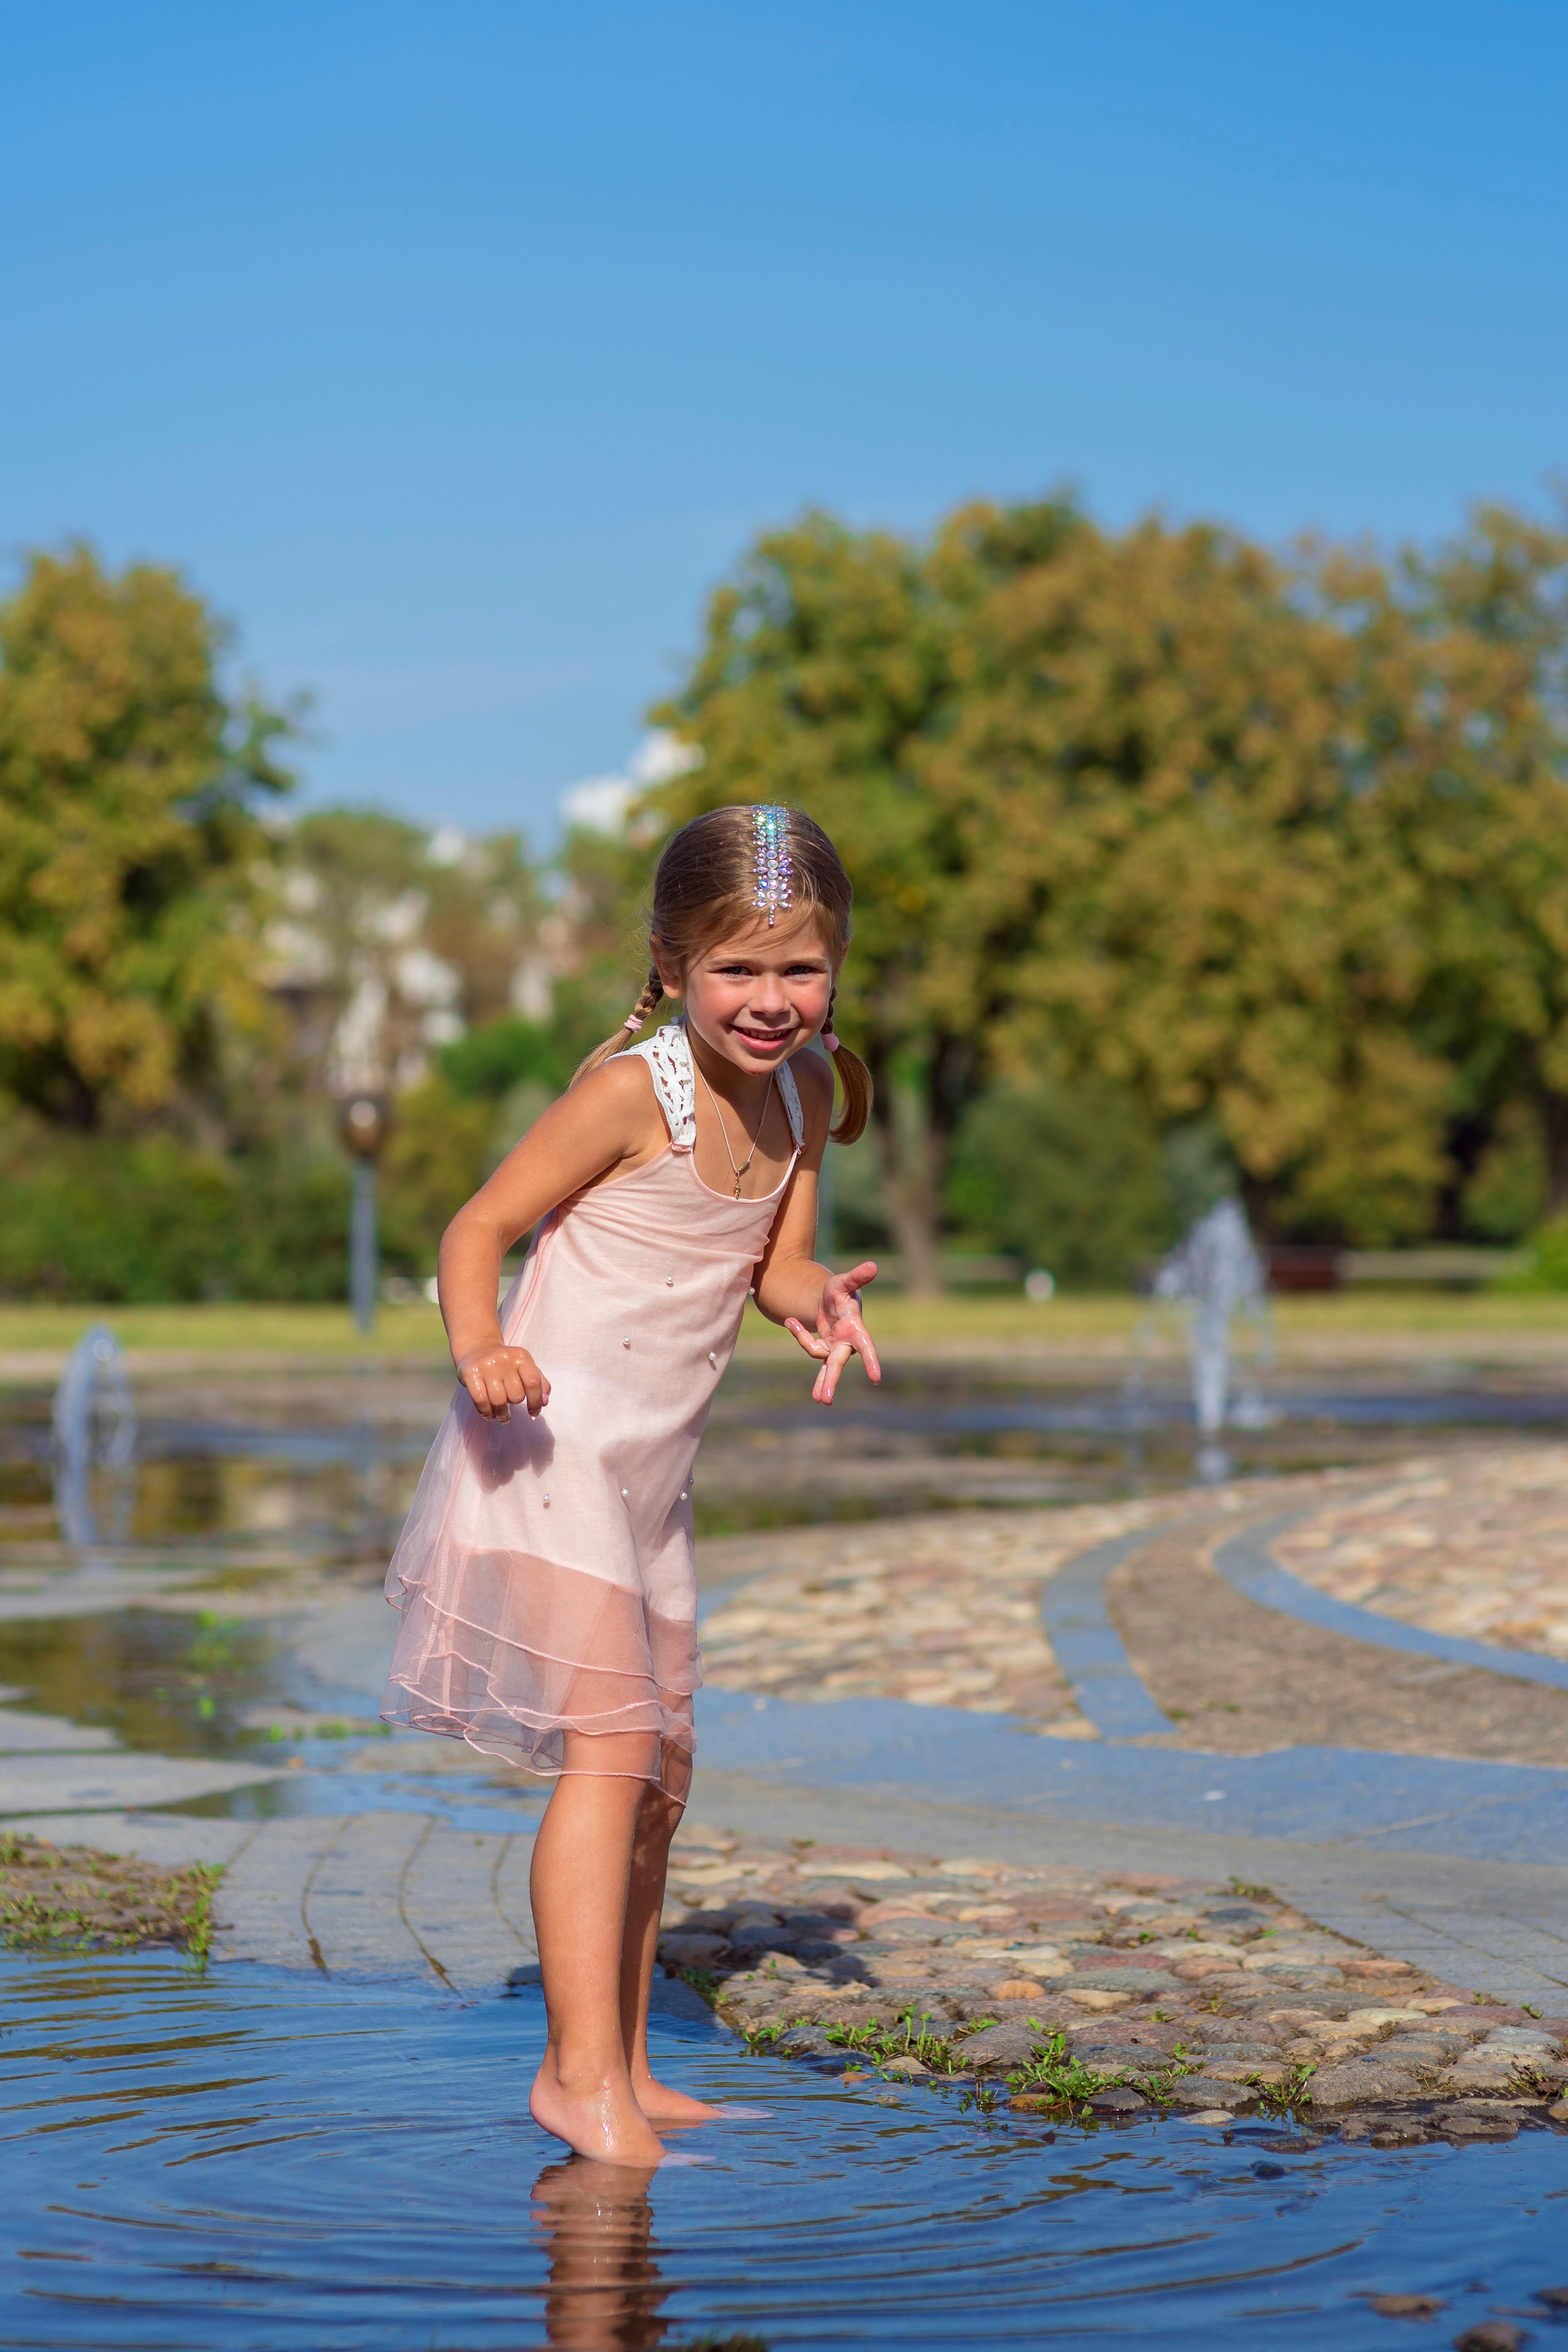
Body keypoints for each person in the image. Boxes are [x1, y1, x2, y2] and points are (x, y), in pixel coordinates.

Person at [381, 804, 880, 2165]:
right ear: (668, 967)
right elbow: (474, 1224)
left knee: (661, 1777)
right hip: (546, 1453)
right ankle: (574, 2077)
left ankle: (630, 2065)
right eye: (737, 969)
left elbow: (767, 1258)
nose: (771, 1001)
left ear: (834, 968)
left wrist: (810, 1301)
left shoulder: (805, 1094)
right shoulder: (628, 1092)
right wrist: (480, 1345)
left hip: (648, 1478)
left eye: (800, 968)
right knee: (606, 1764)